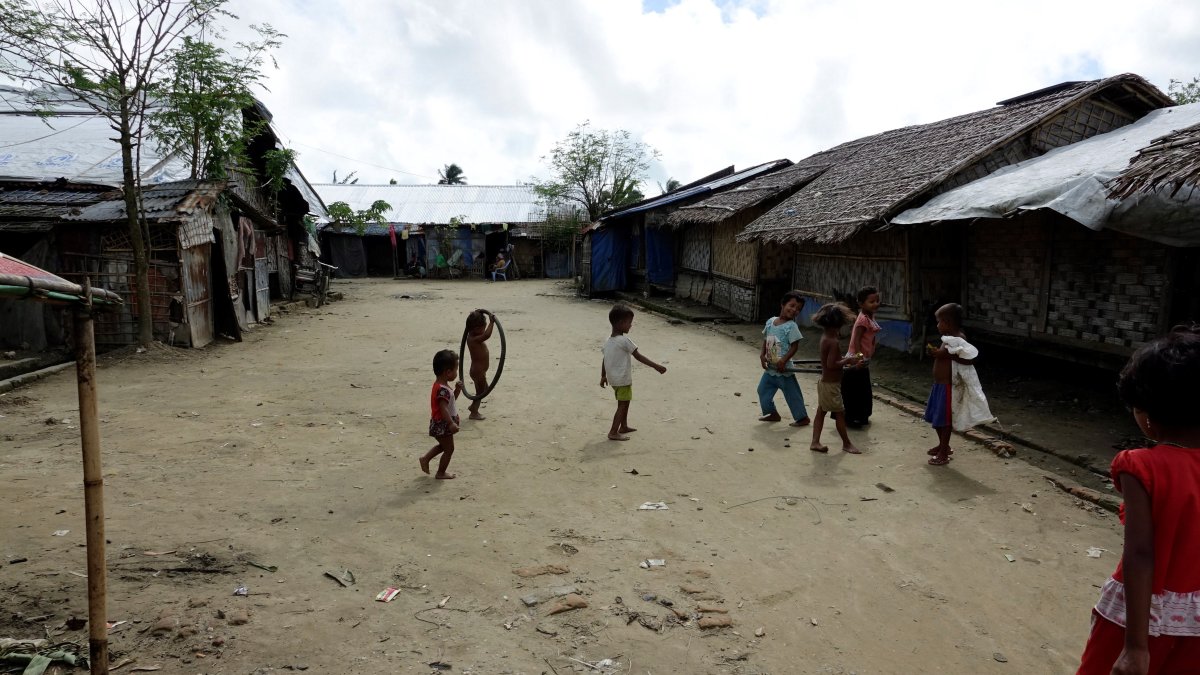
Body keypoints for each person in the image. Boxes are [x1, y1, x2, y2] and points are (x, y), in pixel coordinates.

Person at [1076, 325, 1200, 675]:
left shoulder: (1141, 466)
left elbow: (1141, 553)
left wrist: (1135, 647)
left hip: (1141, 622)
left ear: (1146, 413)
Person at [924, 303, 994, 465]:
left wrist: (944, 354)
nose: (937, 325)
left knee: (944, 421)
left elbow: (969, 359)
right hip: (938, 385)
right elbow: (944, 355)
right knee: (935, 418)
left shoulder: (959, 339)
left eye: (939, 321)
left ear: (947, 322)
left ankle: (943, 453)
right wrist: (936, 353)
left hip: (948, 387)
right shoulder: (947, 338)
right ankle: (943, 446)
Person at [600, 304, 666, 441]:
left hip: (614, 380)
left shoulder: (608, 341)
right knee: (622, 404)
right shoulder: (624, 341)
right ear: (620, 323)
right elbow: (638, 356)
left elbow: (604, 359)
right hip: (622, 379)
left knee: (625, 402)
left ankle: (623, 426)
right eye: (629, 322)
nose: (631, 325)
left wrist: (603, 376)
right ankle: (613, 431)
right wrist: (656, 366)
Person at [809, 302, 862, 454]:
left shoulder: (826, 338)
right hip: (831, 386)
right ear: (839, 324)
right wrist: (848, 360)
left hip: (825, 383)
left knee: (821, 411)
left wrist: (846, 360)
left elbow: (832, 361)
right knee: (839, 413)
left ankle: (815, 442)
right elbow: (832, 364)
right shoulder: (833, 342)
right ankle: (846, 443)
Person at [758, 290, 811, 427]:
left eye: (798, 309)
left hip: (784, 370)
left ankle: (802, 418)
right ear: (782, 304)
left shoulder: (791, 326)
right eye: (791, 306)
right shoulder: (771, 322)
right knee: (762, 390)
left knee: (793, 395)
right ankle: (772, 413)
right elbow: (766, 339)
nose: (794, 310)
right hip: (771, 368)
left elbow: (795, 346)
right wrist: (762, 354)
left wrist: (784, 360)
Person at [419, 349, 462, 479]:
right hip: (443, 424)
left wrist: (457, 390)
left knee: (443, 446)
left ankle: (425, 459)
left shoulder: (441, 386)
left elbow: (450, 403)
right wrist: (451, 423)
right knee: (449, 449)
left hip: (441, 424)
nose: (456, 373)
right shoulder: (443, 390)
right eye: (455, 370)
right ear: (448, 372)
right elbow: (444, 409)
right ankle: (441, 472)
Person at [843, 285, 882, 427]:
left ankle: (862, 415)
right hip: (856, 359)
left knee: (863, 389)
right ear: (861, 304)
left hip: (864, 359)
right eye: (871, 302)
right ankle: (852, 418)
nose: (875, 304)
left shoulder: (870, 316)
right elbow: (857, 340)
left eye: (877, 301)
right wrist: (859, 357)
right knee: (855, 390)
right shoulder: (862, 320)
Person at [464, 309, 495, 420]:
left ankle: (474, 407)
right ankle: (474, 411)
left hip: (479, 371)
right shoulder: (474, 339)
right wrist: (492, 323)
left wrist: (478, 312)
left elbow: (483, 332)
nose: (484, 329)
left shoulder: (472, 336)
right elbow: (487, 335)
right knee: (480, 392)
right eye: (484, 327)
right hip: (478, 371)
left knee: (484, 390)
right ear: (477, 329)